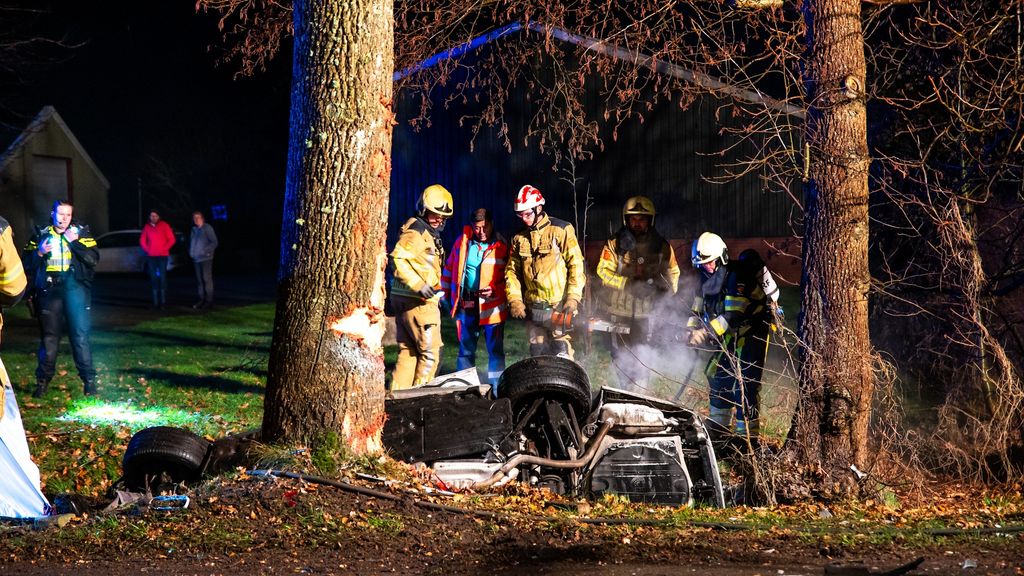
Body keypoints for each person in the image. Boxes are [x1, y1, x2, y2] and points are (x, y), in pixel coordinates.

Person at [686, 232, 777, 445]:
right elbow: (697, 309)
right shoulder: (705, 279)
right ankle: (719, 430)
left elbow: (732, 316)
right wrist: (689, 330)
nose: (706, 267)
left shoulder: (737, 277)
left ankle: (747, 441)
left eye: (710, 262)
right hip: (728, 336)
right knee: (717, 376)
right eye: (702, 264)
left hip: (752, 332)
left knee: (745, 384)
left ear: (722, 257)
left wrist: (704, 333)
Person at [596, 196, 680, 389]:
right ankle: (624, 389)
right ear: (626, 220)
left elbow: (673, 273)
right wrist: (626, 284)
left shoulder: (661, 246)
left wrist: (664, 293)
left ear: (650, 220)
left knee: (644, 355)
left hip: (647, 313)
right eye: (633, 219)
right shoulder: (614, 244)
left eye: (642, 219)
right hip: (619, 312)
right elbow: (602, 271)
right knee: (619, 355)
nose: (637, 223)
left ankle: (640, 393)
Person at [25, 200, 100, 397]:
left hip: (75, 288)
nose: (64, 218)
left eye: (68, 214)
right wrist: (39, 252)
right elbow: (26, 263)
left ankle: (89, 383)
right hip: (49, 291)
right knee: (49, 338)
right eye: (61, 214)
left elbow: (93, 260)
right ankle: (42, 383)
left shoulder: (81, 233)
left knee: (80, 336)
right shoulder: (41, 234)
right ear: (53, 214)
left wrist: (73, 242)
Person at [505, 184, 586, 359]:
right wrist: (515, 300)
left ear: (539, 208)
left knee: (561, 351)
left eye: (528, 213)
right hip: (533, 309)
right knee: (537, 353)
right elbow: (512, 272)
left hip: (559, 307)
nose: (524, 219)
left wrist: (572, 299)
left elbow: (576, 266)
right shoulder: (519, 238)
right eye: (520, 215)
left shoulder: (561, 230)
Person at [389, 184, 453, 389]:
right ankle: (421, 399)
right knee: (432, 353)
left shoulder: (422, 230)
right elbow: (397, 259)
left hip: (408, 301)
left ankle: (396, 400)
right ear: (423, 209)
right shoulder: (417, 233)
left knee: (409, 352)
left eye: (444, 217)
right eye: (435, 214)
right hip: (418, 302)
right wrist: (420, 286)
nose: (440, 220)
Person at [441, 208, 508, 393]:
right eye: (477, 228)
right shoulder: (462, 243)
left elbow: (509, 279)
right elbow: (449, 269)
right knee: (466, 351)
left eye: (484, 227)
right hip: (467, 306)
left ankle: (497, 388)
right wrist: (444, 295)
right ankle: (464, 390)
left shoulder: (502, 246)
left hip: (492, 307)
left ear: (491, 224)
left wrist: (495, 289)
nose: (481, 232)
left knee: (495, 352)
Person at [139, 209, 176, 309]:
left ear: (159, 217)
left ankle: (163, 302)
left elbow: (172, 239)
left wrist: (164, 248)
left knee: (162, 278)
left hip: (162, 256)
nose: (153, 218)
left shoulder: (164, 225)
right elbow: (142, 240)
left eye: (155, 216)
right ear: (149, 217)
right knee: (153, 278)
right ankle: (155, 303)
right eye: (152, 216)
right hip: (151, 256)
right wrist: (148, 249)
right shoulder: (147, 227)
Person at [189, 210, 218, 309]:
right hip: (196, 259)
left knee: (206, 279)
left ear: (202, 218)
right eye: (194, 218)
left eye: (198, 217)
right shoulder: (194, 230)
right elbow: (192, 243)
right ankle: (201, 299)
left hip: (206, 258)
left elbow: (214, 242)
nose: (196, 219)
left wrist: (205, 251)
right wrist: (191, 253)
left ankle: (209, 301)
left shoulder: (207, 228)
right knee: (199, 280)